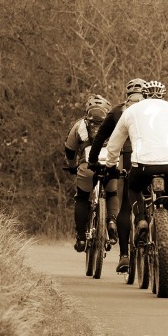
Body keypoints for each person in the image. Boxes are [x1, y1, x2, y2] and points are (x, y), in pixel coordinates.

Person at [103, 80, 168, 277]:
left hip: (142, 164)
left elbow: (114, 144)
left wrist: (110, 166)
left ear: (144, 94)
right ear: (163, 95)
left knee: (132, 189)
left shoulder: (131, 111)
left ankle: (141, 219)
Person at [87, 78, 146, 273]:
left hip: (127, 156)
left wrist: (93, 161)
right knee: (157, 201)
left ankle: (124, 256)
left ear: (127, 95)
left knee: (127, 206)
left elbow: (101, 137)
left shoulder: (119, 110)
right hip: (155, 158)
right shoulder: (155, 109)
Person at [64, 94, 119, 252]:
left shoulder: (79, 125)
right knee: (112, 193)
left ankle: (81, 238)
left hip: (87, 166)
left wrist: (72, 165)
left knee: (82, 198)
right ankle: (111, 222)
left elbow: (70, 149)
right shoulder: (115, 124)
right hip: (110, 165)